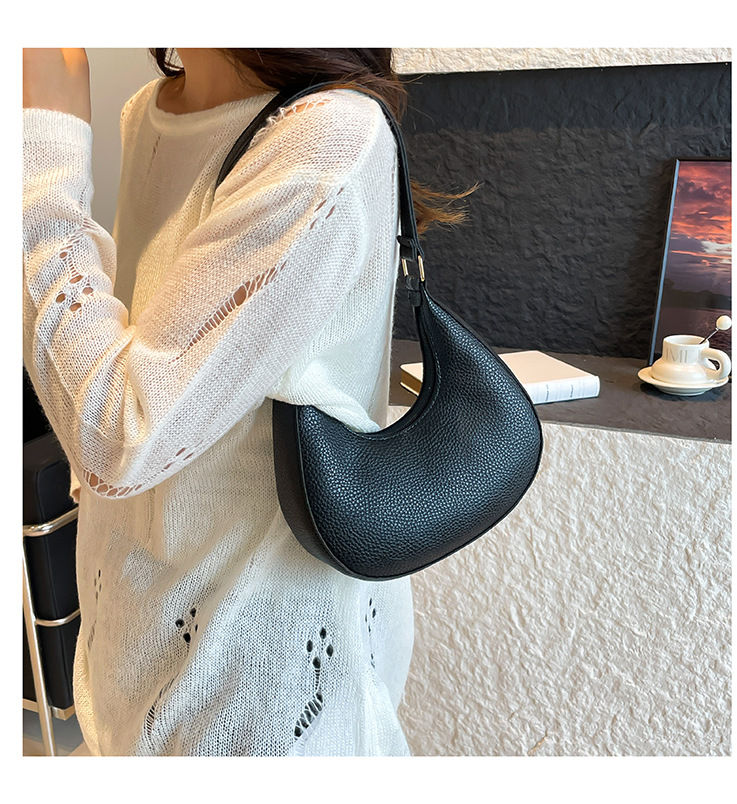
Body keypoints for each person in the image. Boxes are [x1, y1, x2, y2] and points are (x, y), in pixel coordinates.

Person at [22, 48, 466, 756]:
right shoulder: (149, 112)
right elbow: (143, 386)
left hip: (260, 697)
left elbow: (122, 433)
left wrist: (41, 148)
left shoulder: (329, 132)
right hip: (126, 659)